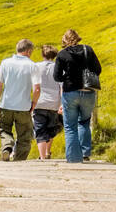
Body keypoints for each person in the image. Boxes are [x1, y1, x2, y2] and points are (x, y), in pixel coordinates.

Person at [53, 29, 102, 163]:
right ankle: (85, 153)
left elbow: (56, 76)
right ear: (78, 38)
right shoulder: (88, 49)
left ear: (64, 40)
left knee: (70, 126)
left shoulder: (62, 54)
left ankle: (74, 158)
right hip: (88, 91)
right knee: (84, 122)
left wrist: (68, 76)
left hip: (70, 92)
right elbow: (98, 69)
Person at [0, 39, 40, 161]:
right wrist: (34, 103)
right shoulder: (32, 66)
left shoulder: (5, 63)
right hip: (23, 107)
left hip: (6, 105)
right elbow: (37, 89)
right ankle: (19, 160)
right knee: (24, 136)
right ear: (29, 51)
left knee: (5, 130)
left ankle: (7, 148)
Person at [33, 44, 63, 160]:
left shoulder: (36, 66)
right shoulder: (58, 67)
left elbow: (34, 85)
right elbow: (61, 87)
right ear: (55, 55)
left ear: (42, 54)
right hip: (54, 103)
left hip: (39, 102)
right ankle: (47, 152)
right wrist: (61, 103)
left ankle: (42, 157)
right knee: (51, 129)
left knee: (40, 130)